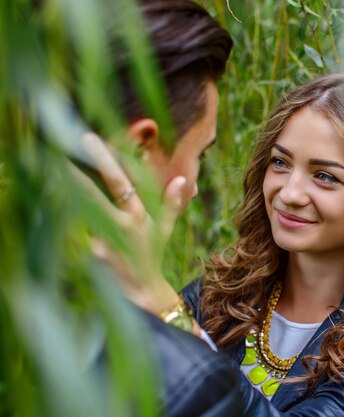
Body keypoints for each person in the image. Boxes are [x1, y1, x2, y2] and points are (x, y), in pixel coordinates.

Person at [106, 72, 344, 416]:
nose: (288, 193)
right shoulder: (217, 299)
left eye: (324, 176)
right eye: (280, 163)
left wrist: (168, 311)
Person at [72, 1, 244, 416]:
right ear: (139, 147)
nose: (196, 184)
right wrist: (160, 303)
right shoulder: (191, 385)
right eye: (200, 153)